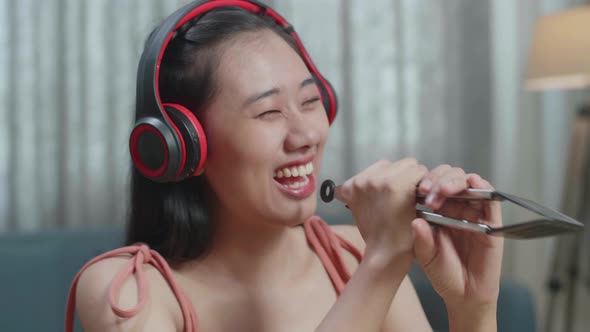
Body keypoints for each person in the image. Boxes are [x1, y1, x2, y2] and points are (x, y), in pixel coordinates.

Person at [65, 1, 503, 331]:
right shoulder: (126, 291)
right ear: (182, 144)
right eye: (268, 112)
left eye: (311, 102)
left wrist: (472, 307)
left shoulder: (351, 255)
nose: (305, 136)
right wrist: (384, 261)